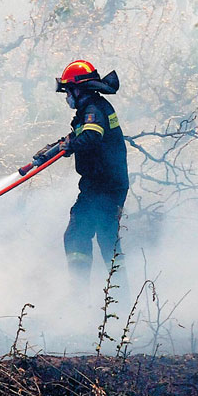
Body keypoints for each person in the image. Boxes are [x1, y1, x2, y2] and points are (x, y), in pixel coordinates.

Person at [46, 60, 130, 304]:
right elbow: (84, 132)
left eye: (67, 91)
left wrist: (70, 146)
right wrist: (53, 149)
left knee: (81, 235)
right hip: (104, 184)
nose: (66, 97)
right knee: (98, 237)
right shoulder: (93, 108)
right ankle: (118, 303)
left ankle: (82, 299)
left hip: (103, 187)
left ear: (78, 89)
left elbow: (92, 135)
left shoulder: (93, 108)